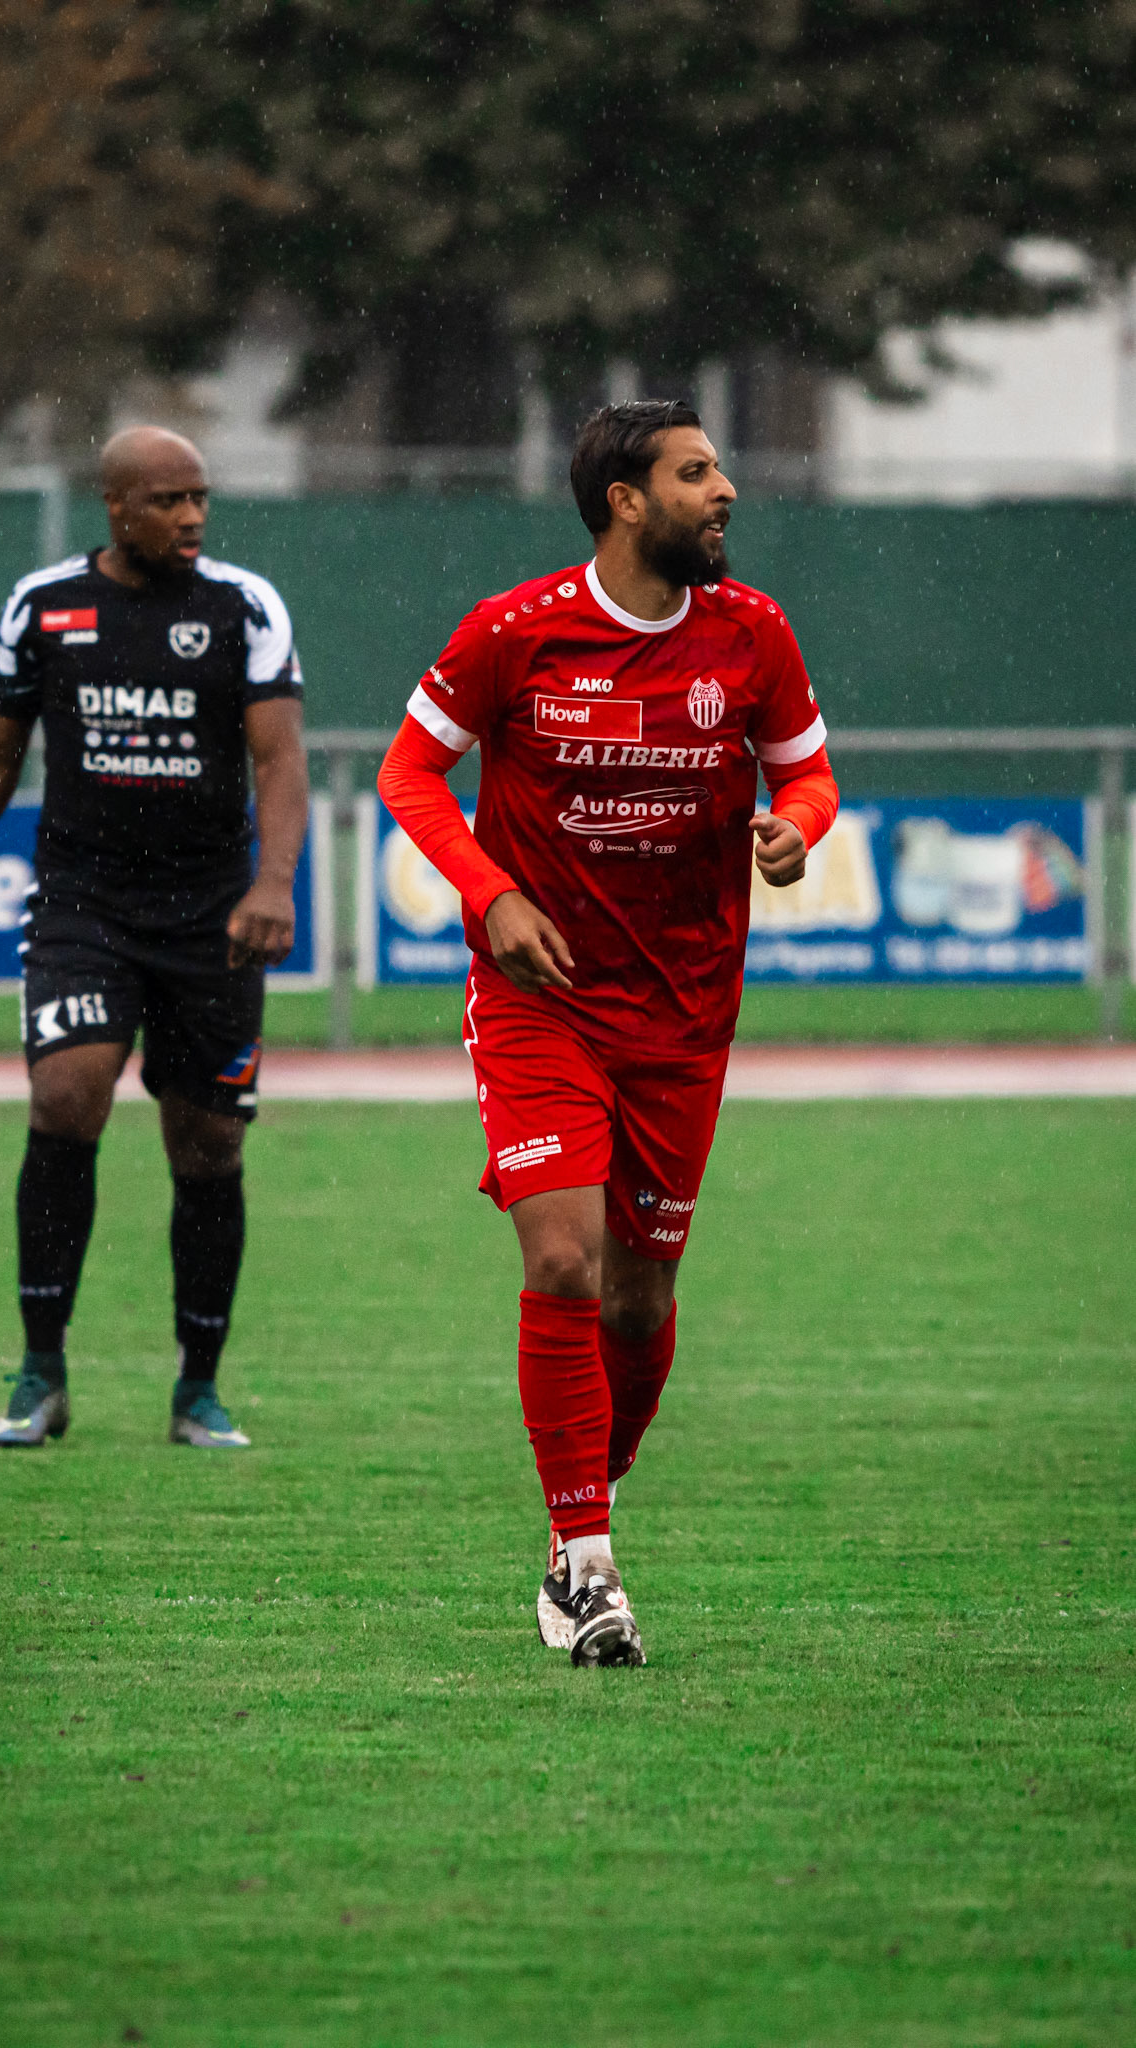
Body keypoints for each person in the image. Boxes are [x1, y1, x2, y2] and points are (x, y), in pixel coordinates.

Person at [377, 400, 839, 1666]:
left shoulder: (753, 632)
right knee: (565, 1257)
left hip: (684, 1013)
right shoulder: (513, 631)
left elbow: (806, 770)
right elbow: (409, 772)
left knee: (640, 1301)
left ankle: (583, 1501)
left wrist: (799, 826)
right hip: (540, 997)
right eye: (696, 472)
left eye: (720, 467)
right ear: (626, 500)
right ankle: (588, 1565)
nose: (725, 489)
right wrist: (492, 893)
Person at [0, 427, 309, 1450]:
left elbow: (280, 759)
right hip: (86, 907)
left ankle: (198, 1386)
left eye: (200, 497)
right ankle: (40, 1372)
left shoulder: (244, 607)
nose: (193, 517)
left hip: (211, 916)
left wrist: (274, 883)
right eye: (169, 500)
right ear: (115, 507)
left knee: (208, 1142)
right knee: (67, 1095)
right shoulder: (44, 607)